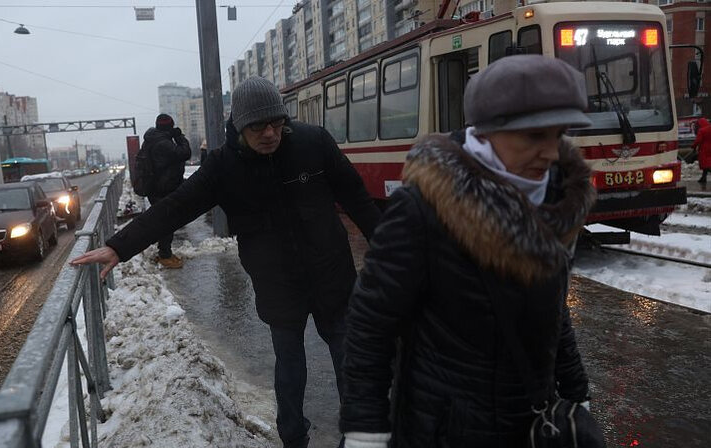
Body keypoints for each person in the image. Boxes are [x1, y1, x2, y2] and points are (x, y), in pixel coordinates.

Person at [71, 76, 381, 448]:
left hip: (332, 274)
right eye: (257, 126)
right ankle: (294, 438)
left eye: (276, 123)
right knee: (290, 366)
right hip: (278, 284)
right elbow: (176, 206)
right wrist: (120, 247)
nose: (270, 133)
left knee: (351, 361)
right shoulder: (224, 167)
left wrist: (392, 250)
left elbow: (357, 198)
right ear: (239, 127)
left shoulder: (313, 143)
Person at [339, 55, 598, 448]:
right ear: (486, 132)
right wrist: (365, 430)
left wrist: (577, 391)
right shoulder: (423, 208)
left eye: (558, 135)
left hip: (528, 425)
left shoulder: (558, 201)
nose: (550, 153)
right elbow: (370, 323)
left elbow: (552, 311)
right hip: (444, 431)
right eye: (534, 137)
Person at [143, 113, 191, 268]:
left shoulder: (153, 139)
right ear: (169, 127)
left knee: (164, 220)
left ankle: (165, 252)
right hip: (163, 189)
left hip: (157, 188)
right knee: (167, 221)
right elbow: (185, 153)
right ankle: (165, 255)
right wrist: (179, 137)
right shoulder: (163, 143)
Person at [691, 117, 711, 184]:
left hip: (704, 149)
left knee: (706, 164)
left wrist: (693, 146)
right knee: (707, 163)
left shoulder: (702, 130)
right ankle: (703, 177)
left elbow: (698, 140)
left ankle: (703, 177)